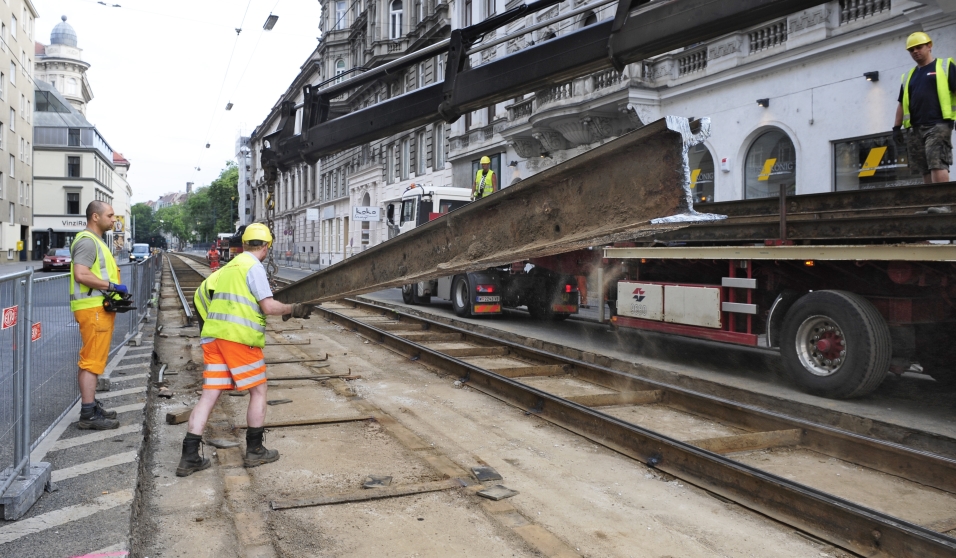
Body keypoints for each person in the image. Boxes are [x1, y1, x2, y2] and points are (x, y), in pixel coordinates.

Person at [177, 223, 313, 477]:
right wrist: (293, 309)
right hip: (238, 339)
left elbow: (202, 293)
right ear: (266, 246)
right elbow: (269, 307)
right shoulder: (254, 267)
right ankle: (255, 451)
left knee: (209, 394)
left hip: (213, 337)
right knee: (259, 390)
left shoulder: (230, 266)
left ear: (245, 244)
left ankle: (189, 456)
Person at [69, 201, 123, 430]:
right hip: (94, 310)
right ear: (95, 217)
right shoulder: (88, 242)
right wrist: (111, 286)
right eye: (110, 215)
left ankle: (90, 408)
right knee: (91, 362)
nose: (114, 220)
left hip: (97, 308)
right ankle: (88, 414)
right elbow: (81, 274)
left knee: (92, 359)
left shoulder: (95, 241)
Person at [894, 31, 956, 184]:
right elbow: (902, 103)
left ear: (929, 46)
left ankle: (942, 204)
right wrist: (896, 127)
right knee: (924, 167)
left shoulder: (945, 66)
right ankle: (931, 204)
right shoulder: (909, 76)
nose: (915, 51)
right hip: (915, 128)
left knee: (937, 163)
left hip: (938, 124)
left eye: (919, 47)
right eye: (911, 50)